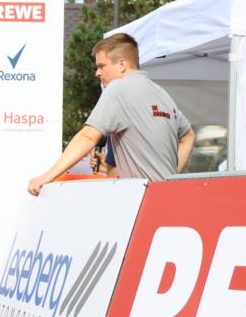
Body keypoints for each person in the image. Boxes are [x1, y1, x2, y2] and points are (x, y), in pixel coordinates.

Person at [28, 33, 196, 195]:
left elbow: (87, 137)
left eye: (102, 66)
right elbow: (188, 136)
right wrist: (168, 178)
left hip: (140, 201)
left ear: (122, 65)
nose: (97, 73)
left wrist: (49, 176)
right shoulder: (162, 94)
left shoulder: (118, 88)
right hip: (166, 198)